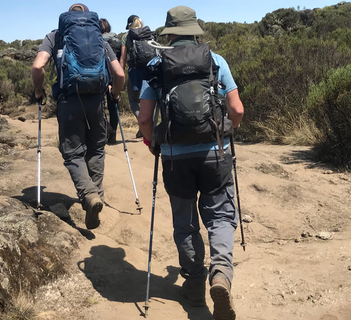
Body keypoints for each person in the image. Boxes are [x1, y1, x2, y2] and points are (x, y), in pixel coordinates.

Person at [138, 6, 244, 320]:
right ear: (195, 31)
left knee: (184, 222)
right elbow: (236, 110)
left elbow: (145, 117)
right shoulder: (216, 61)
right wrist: (227, 132)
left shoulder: (157, 64)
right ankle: (221, 273)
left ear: (168, 33)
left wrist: (152, 142)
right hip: (215, 154)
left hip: (174, 157)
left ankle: (195, 283)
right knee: (221, 216)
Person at [32, 3, 125, 229]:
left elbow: (38, 66)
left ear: (67, 18)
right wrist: (114, 93)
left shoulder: (56, 35)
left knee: (73, 153)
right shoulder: (98, 37)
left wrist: (38, 90)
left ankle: (89, 195)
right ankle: (97, 195)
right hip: (96, 100)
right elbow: (119, 73)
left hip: (69, 100)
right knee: (96, 149)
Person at [120, 14, 146, 138]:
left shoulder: (126, 36)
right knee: (148, 100)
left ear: (130, 25)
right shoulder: (148, 33)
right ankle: (148, 125)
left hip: (135, 72)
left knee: (133, 100)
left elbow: (123, 57)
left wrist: (120, 75)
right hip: (149, 71)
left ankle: (143, 124)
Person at [100, 18, 121, 144]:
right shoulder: (117, 42)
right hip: (115, 77)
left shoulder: (97, 42)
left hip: (101, 77)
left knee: (100, 107)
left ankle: (106, 129)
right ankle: (113, 135)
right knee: (114, 107)